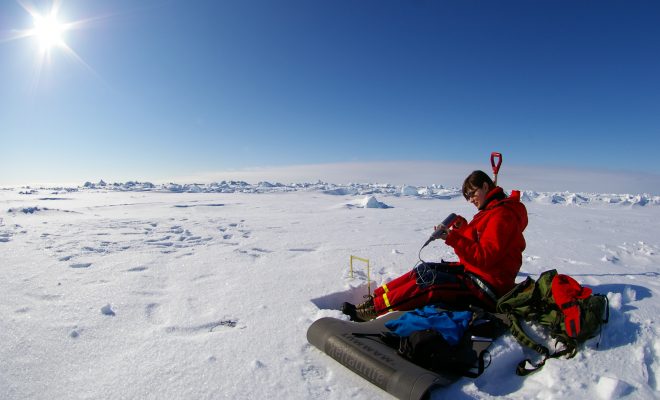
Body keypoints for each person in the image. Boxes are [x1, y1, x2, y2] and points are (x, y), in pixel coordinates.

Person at [342, 170, 528, 322]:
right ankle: (375, 299)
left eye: (472, 194)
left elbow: (485, 257)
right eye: (468, 197)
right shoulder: (490, 211)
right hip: (474, 273)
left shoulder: (501, 215)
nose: (471, 200)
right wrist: (463, 228)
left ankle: (373, 312)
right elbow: (478, 240)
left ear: (486, 186)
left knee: (431, 284)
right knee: (424, 269)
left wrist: (453, 238)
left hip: (488, 287)